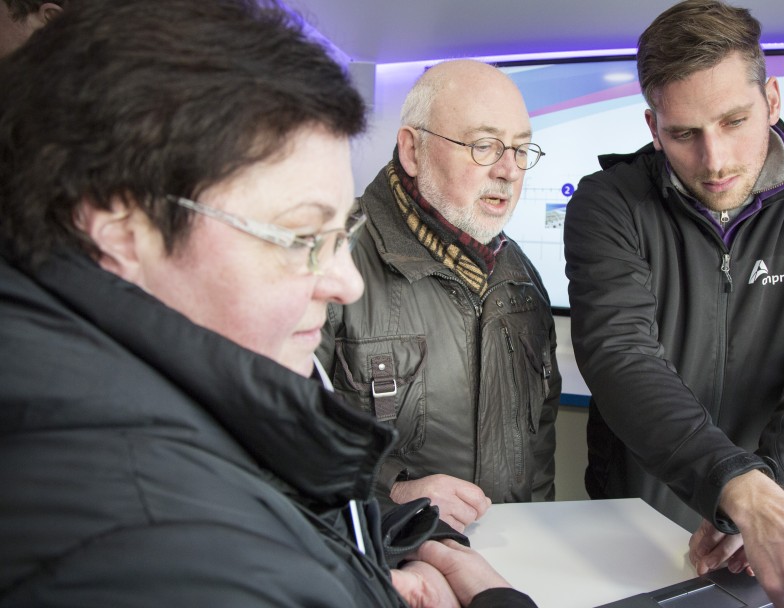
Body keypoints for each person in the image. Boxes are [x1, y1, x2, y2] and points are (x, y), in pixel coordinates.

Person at [0, 1, 536, 606]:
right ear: (122, 228)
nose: (346, 283)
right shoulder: (149, 545)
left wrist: (393, 544)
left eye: (342, 238)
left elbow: (285, 502)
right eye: (302, 237)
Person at [564, 0, 784, 606]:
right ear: (653, 127)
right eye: (684, 134)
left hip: (773, 503)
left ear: (773, 99)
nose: (716, 160)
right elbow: (622, 356)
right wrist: (738, 490)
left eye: (734, 121)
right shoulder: (609, 203)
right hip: (638, 495)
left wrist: (763, 504)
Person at [317, 60, 560, 533]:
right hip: (381, 567)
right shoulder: (331, 256)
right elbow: (272, 427)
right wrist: (394, 494)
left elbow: (540, 452)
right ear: (412, 149)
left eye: (520, 148)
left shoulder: (522, 281)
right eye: (484, 146)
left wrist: (536, 537)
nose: (509, 171)